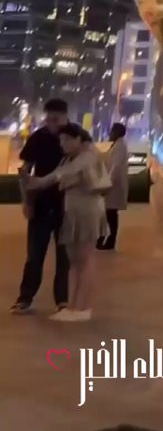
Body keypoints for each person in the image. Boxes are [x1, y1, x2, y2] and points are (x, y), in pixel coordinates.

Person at [25, 123, 110, 322]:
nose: (62, 144)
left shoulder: (88, 155)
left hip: (87, 211)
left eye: (66, 140)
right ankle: (73, 306)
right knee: (76, 262)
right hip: (75, 211)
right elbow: (60, 173)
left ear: (78, 139)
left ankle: (83, 307)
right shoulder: (71, 157)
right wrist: (38, 182)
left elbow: (61, 174)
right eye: (61, 140)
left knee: (85, 260)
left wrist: (39, 181)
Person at [11, 98, 70, 315]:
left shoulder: (76, 136)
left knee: (65, 257)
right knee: (35, 255)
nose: (51, 124)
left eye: (56, 119)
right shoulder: (38, 138)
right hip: (42, 204)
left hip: (68, 205)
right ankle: (25, 297)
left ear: (65, 117)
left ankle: (62, 300)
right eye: (48, 119)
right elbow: (25, 172)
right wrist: (26, 201)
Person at [97, 122, 129, 251]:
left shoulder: (120, 147)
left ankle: (110, 239)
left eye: (112, 131)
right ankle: (107, 239)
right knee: (109, 213)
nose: (110, 134)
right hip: (114, 184)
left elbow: (115, 167)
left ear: (117, 133)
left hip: (114, 185)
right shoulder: (117, 145)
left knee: (110, 213)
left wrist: (107, 184)